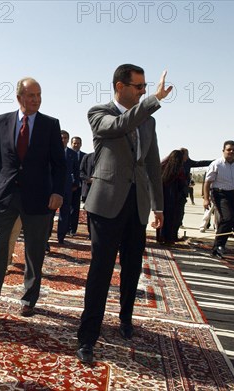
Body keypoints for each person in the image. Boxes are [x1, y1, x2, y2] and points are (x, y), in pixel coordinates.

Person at [76, 64, 171, 364]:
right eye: (138, 86)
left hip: (138, 204)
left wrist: (158, 205)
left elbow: (152, 164)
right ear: (120, 86)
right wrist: (152, 101)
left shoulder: (148, 122)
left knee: (132, 269)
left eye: (145, 87)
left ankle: (126, 319)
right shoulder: (99, 112)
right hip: (106, 203)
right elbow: (118, 127)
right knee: (101, 270)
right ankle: (87, 337)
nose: (143, 91)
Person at [0, 77, 65, 319]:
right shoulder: (3, 121)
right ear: (19, 97)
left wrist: (58, 192)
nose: (36, 100)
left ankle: (29, 299)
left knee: (34, 252)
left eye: (39, 95)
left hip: (40, 198)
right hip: (6, 195)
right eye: (31, 95)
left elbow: (59, 164)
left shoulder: (50, 125)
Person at [203, 140, 234, 259]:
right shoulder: (216, 164)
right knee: (227, 218)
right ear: (223, 151)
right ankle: (218, 247)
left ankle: (221, 245)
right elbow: (207, 183)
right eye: (229, 149)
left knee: (230, 220)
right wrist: (206, 199)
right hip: (220, 194)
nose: (231, 152)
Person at [157, 150, 187, 245]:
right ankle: (169, 238)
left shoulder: (162, 166)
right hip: (174, 197)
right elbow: (182, 184)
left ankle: (160, 237)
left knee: (162, 216)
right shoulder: (179, 170)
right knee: (172, 218)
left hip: (162, 196)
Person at [57, 130, 78, 244]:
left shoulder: (72, 154)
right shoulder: (52, 151)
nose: (63, 140)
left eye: (65, 138)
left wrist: (75, 184)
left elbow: (76, 170)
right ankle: (46, 239)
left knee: (65, 213)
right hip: (53, 188)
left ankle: (61, 237)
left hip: (67, 188)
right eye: (61, 138)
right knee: (49, 215)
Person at [69, 136, 86, 236]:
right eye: (74, 143)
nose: (76, 145)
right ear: (71, 144)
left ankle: (73, 229)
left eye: (78, 143)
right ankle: (65, 228)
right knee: (66, 208)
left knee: (75, 208)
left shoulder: (85, 156)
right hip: (66, 186)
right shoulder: (66, 153)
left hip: (79, 186)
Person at [79, 151, 95, 240]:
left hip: (103, 191)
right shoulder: (87, 157)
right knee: (90, 214)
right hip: (89, 189)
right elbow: (80, 172)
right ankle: (91, 233)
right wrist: (89, 179)